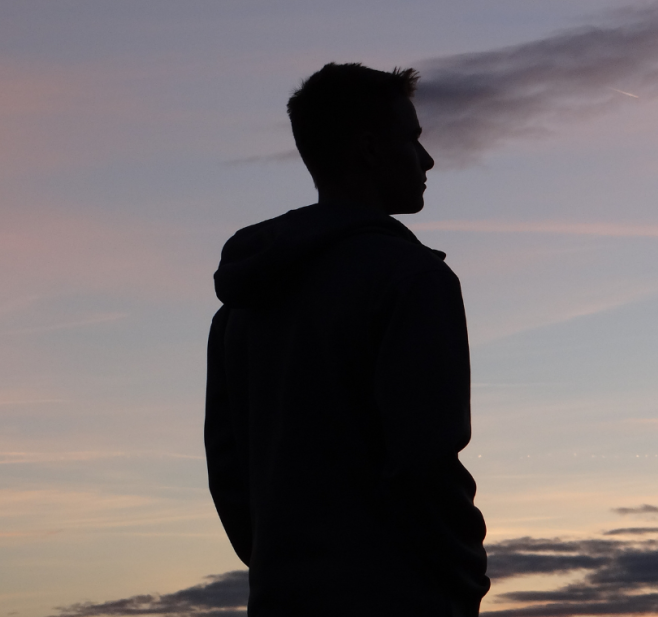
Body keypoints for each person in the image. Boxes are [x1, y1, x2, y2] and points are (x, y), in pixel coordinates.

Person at [204, 63, 490, 616]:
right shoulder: (412, 280)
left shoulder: (242, 305)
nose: (427, 160)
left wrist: (285, 566)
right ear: (368, 149)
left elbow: (230, 478)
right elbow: (426, 460)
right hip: (401, 599)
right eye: (412, 140)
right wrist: (459, 579)